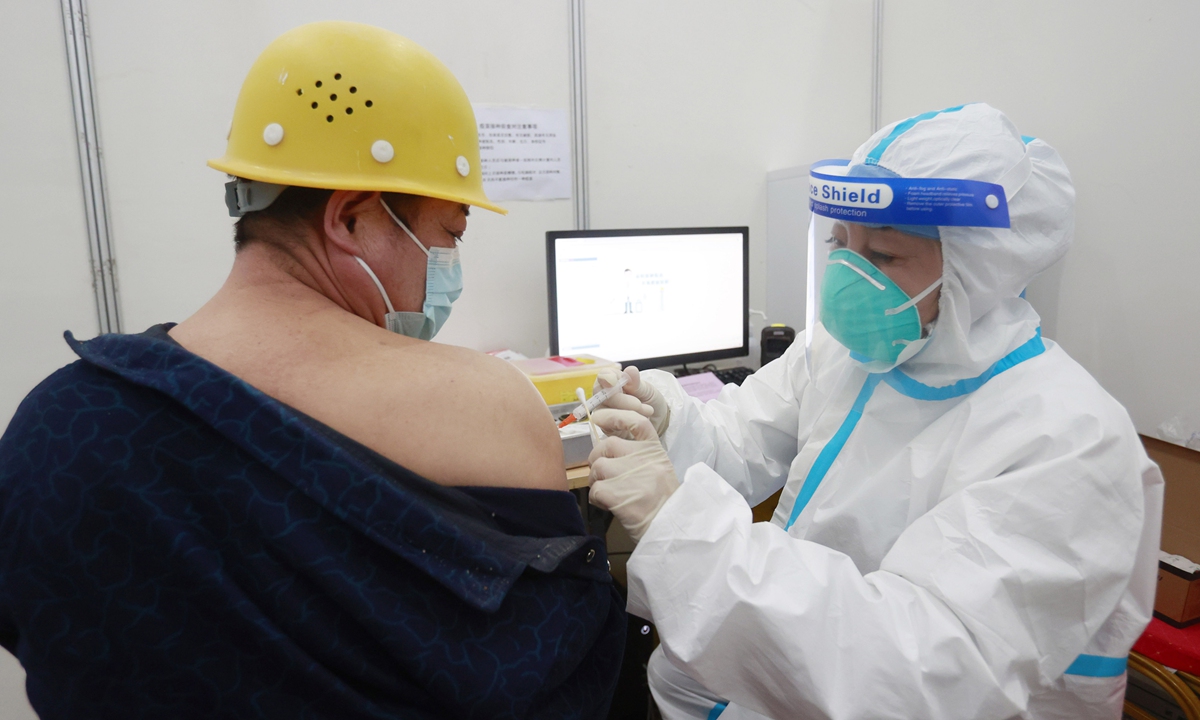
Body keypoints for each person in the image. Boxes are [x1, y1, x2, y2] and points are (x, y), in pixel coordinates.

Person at [0, 21, 624, 719]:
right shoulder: (489, 405)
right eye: (449, 233)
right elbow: (549, 679)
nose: (448, 267)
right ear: (350, 218)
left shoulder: (56, 428)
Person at [586, 103, 1162, 719]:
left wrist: (682, 529)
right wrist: (668, 419)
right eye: (840, 243)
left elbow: (915, 672)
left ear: (980, 266)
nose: (847, 275)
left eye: (883, 256)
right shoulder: (848, 353)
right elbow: (742, 439)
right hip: (758, 688)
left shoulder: (1069, 442)